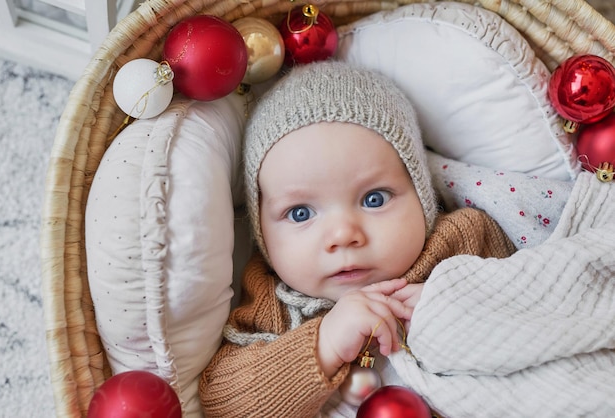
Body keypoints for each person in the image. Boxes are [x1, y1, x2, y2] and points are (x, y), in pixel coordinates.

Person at [198, 61, 516, 417]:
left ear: (423, 196)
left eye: (374, 199)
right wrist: (323, 345)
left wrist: (457, 302)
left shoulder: (462, 242)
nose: (343, 235)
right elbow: (220, 402)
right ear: (262, 232)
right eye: (301, 213)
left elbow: (536, 304)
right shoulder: (272, 303)